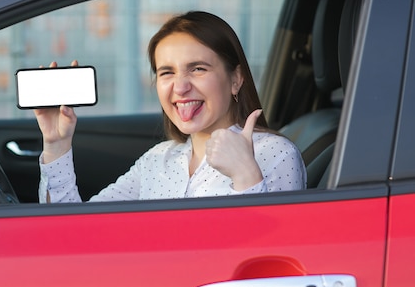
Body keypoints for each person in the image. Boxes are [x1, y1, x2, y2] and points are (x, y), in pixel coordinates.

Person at [34, 11, 306, 203]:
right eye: (167, 73)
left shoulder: (274, 154)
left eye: (198, 69)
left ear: (235, 79)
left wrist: (246, 175)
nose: (180, 87)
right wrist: (56, 144)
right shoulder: (158, 159)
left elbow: (274, 259)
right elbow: (75, 230)